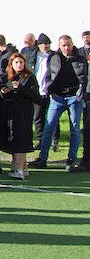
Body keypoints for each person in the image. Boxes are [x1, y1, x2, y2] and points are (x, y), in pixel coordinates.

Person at [33, 35, 86, 171]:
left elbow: (84, 77)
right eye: (64, 45)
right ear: (59, 45)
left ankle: (71, 159)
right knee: (49, 127)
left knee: (74, 128)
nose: (67, 48)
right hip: (57, 97)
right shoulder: (54, 57)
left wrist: (81, 92)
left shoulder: (80, 57)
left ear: (72, 44)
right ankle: (42, 157)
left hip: (74, 97)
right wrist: (49, 90)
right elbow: (49, 75)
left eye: (68, 45)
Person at [0, 52, 40, 179]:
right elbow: (1, 94)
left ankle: (19, 169)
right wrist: (3, 92)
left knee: (21, 140)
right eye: (16, 62)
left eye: (21, 62)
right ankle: (22, 167)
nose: (19, 65)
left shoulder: (29, 77)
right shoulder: (6, 77)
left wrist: (21, 88)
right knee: (13, 140)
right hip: (10, 113)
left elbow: (36, 96)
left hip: (24, 113)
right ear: (11, 64)